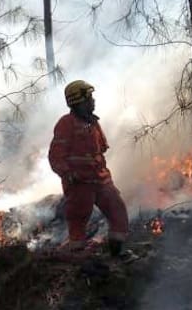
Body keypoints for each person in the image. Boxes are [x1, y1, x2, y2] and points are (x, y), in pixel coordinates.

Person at [48, 80, 130, 256]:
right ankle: (78, 257)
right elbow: (55, 156)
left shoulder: (93, 123)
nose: (93, 101)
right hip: (79, 183)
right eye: (89, 98)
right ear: (77, 102)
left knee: (118, 211)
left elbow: (101, 150)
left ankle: (117, 253)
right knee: (78, 220)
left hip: (101, 180)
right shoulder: (66, 123)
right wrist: (68, 174)